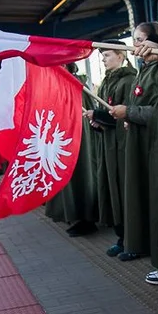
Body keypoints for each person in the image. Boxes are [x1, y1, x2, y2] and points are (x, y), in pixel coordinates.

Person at [107, 23, 158, 264]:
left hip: (156, 147)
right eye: (134, 40)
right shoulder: (145, 71)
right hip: (142, 145)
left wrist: (130, 113)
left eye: (140, 40)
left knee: (157, 199)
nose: (135, 45)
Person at [86, 43, 136, 256]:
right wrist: (97, 121)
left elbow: (127, 114)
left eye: (107, 55)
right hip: (109, 146)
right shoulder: (107, 82)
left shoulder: (129, 81)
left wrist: (99, 116)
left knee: (125, 192)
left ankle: (133, 240)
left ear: (120, 56)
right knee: (112, 191)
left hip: (123, 147)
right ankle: (122, 237)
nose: (103, 59)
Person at [45, 62, 98, 236]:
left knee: (82, 177)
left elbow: (83, 113)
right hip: (62, 138)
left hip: (78, 140)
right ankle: (75, 216)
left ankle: (86, 219)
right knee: (68, 180)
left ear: (67, 66)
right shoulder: (57, 84)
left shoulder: (76, 85)